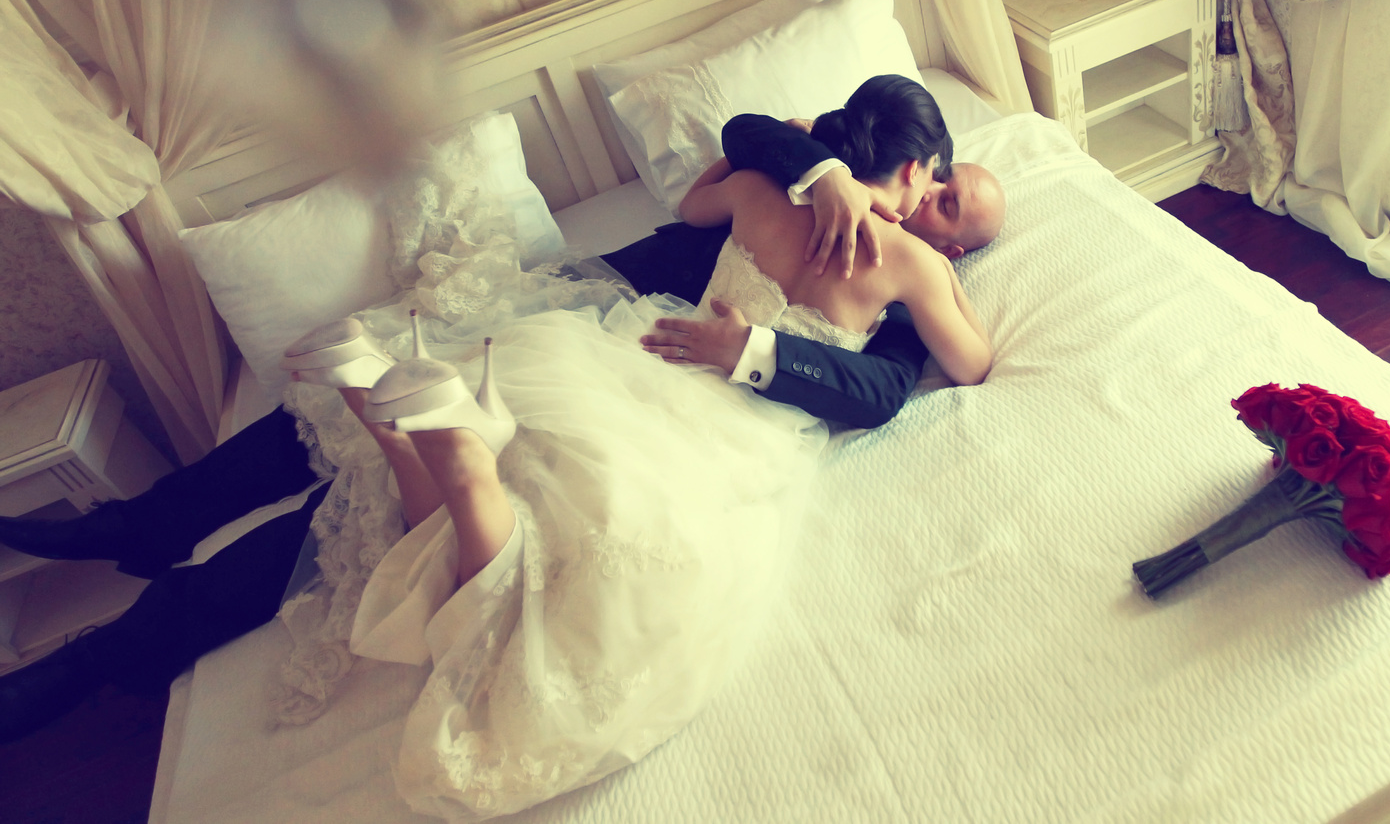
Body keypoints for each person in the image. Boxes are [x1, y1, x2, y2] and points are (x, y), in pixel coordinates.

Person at [0, 82, 1003, 750]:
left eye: (959, 212)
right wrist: (815, 166)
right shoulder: (812, 184)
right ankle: (138, 530)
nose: (940, 207)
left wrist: (817, 280)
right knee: (362, 430)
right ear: (914, 167)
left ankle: (114, 645)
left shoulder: (867, 244)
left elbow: (882, 375)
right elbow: (746, 152)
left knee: (398, 479)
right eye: (946, 185)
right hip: (617, 318)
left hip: (653, 360)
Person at [277, 73, 993, 817]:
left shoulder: (755, 188)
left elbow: (690, 205)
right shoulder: (911, 263)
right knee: (605, 555)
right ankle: (453, 457)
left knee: (538, 482)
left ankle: (411, 420)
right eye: (934, 185)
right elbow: (973, 363)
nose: (925, 205)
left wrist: (806, 155)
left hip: (638, 367)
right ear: (914, 169)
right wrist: (947, 267)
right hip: (739, 431)